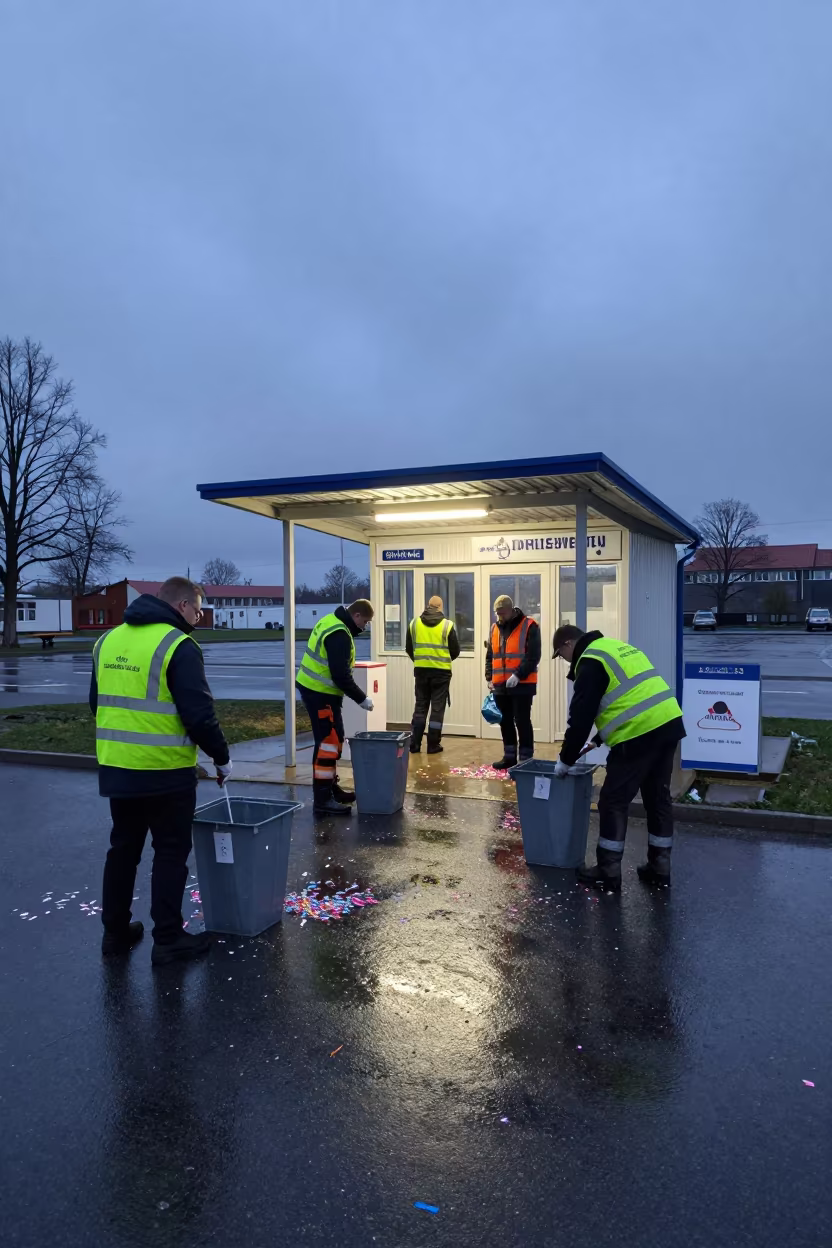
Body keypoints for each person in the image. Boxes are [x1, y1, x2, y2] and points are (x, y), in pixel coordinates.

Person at [91, 577, 232, 966]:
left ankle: (115, 932)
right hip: (165, 772)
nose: (199, 617)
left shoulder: (107, 641)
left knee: (123, 850)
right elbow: (199, 715)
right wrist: (221, 757)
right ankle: (168, 938)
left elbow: (96, 703)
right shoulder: (178, 645)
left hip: (118, 768)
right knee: (170, 852)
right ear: (183, 605)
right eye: (198, 609)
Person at [552, 624, 685, 891]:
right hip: (667, 724)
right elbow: (631, 699)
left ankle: (608, 870)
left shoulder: (590, 661)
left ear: (568, 644)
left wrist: (565, 759)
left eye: (560, 654)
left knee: (613, 801)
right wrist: (599, 738)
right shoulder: (617, 648)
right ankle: (660, 867)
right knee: (657, 797)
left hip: (639, 734)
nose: (564, 661)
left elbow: (580, 718)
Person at [296, 598, 375, 815]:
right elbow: (340, 675)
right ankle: (322, 800)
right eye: (365, 622)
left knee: (335, 738)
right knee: (328, 743)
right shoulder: (339, 633)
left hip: (319, 691)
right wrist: (362, 698)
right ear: (356, 615)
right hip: (319, 693)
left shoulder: (332, 621)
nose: (364, 627)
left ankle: (330, 788)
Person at [485, 594, 541, 769]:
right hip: (500, 685)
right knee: (505, 721)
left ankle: (525, 760)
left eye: (503, 613)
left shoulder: (529, 626)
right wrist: (489, 677)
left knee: (522, 720)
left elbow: (533, 656)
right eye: (497, 613)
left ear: (511, 610)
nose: (500, 617)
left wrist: (517, 675)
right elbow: (490, 655)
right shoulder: (494, 628)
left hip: (522, 684)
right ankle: (509, 757)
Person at [405, 594, 460, 754]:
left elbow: (409, 648)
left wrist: (421, 661)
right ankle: (433, 745)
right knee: (437, 709)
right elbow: (455, 651)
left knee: (420, 707)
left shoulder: (414, 624)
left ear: (428, 606)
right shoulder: (447, 625)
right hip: (441, 673)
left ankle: (414, 744)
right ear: (440, 607)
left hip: (421, 671)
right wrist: (442, 660)